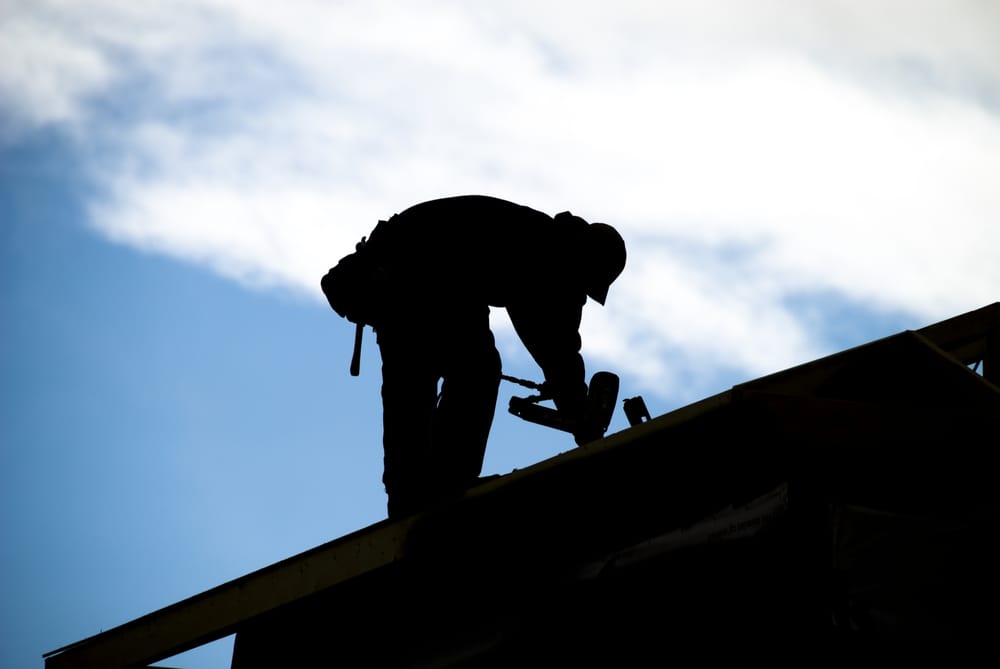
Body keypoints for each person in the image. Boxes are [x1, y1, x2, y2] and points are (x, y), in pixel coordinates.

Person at [322, 194, 626, 519]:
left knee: (421, 383)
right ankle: (438, 485)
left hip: (410, 275)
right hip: (420, 274)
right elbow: (553, 342)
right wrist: (580, 413)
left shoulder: (542, 240)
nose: (579, 295)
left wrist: (572, 400)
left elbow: (550, 339)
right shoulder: (547, 252)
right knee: (469, 372)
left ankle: (414, 494)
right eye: (585, 286)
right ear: (585, 263)